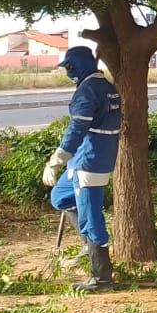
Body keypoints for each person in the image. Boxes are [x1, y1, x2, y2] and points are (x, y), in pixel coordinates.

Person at [42, 45, 120, 291]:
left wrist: (56, 160)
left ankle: (102, 277)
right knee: (60, 196)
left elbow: (77, 129)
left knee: (91, 217)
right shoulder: (106, 86)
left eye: (68, 67)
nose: (67, 72)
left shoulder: (88, 91)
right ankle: (88, 244)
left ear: (76, 66)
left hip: (89, 161)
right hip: (90, 158)